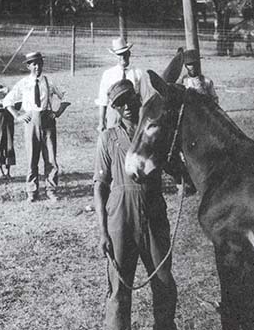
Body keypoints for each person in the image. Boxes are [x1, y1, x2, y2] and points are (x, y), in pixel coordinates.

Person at [94, 79, 177, 330]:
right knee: (119, 288)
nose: (126, 107)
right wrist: (103, 232)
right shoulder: (108, 138)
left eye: (129, 100)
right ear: (115, 109)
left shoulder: (155, 131)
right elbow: (99, 186)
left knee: (163, 281)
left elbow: (175, 168)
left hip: (153, 214)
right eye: (119, 104)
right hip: (120, 218)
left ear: (138, 99)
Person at [3, 52, 69, 202]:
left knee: (50, 157)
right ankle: (32, 191)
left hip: (47, 121)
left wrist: (58, 112)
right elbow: (7, 101)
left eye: (39, 63)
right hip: (31, 121)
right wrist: (18, 116)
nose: (37, 67)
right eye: (34, 64)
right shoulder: (24, 83)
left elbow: (66, 95)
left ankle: (51, 190)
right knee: (32, 157)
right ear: (28, 66)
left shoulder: (48, 81)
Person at [96, 37, 147, 132]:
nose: (122, 57)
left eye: (124, 54)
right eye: (119, 55)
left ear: (129, 54)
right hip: (114, 116)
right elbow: (103, 100)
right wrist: (101, 122)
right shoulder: (108, 74)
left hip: (133, 119)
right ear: (115, 56)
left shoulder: (138, 73)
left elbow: (146, 99)